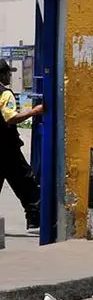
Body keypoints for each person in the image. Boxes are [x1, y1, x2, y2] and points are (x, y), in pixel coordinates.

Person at [0, 59, 44, 232]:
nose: (10, 75)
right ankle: (35, 221)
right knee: (28, 184)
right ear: (2, 75)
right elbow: (10, 117)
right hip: (7, 149)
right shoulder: (5, 94)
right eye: (8, 73)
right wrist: (35, 111)